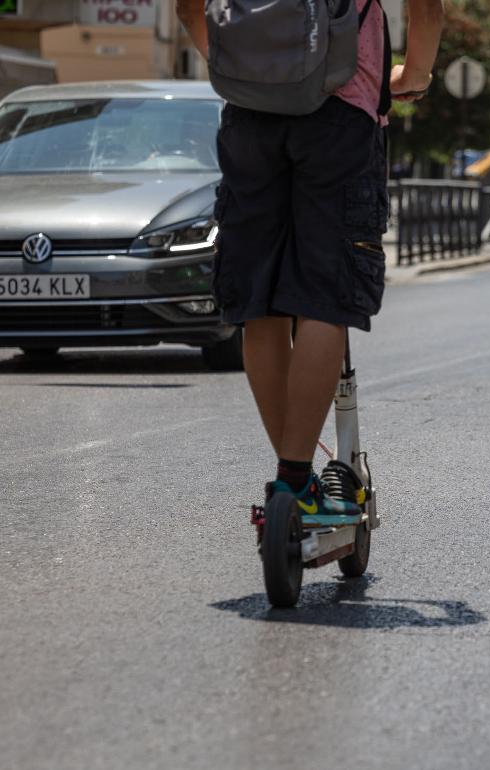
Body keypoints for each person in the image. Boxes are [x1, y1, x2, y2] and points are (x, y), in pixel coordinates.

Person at [177, 0, 445, 515]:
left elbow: (188, 8)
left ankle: (292, 485)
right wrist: (414, 75)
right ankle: (296, 482)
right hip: (341, 113)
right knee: (326, 295)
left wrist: (235, 65)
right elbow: (426, 9)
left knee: (262, 299)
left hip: (249, 116)